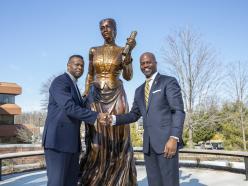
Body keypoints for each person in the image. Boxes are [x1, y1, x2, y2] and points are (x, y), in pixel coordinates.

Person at [77, 18, 137, 185]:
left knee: (119, 138)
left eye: (108, 27)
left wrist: (129, 53)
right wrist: (85, 93)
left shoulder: (122, 50)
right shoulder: (93, 50)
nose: (105, 30)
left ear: (115, 29)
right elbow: (90, 74)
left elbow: (128, 76)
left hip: (116, 94)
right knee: (96, 141)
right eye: (101, 27)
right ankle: (95, 178)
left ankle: (118, 179)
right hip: (95, 96)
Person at [111, 52, 185, 186]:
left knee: (169, 183)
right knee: (154, 183)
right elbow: (133, 115)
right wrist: (113, 119)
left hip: (167, 144)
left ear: (155, 63)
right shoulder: (139, 90)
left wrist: (174, 138)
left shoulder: (168, 82)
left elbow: (178, 111)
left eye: (148, 62)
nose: (145, 65)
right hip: (149, 146)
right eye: (142, 63)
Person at [42, 55, 107, 186]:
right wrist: (96, 116)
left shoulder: (74, 86)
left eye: (82, 65)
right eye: (76, 64)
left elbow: (80, 106)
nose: (79, 67)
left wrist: (92, 92)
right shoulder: (60, 82)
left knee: (71, 182)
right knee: (57, 182)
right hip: (58, 142)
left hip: (71, 144)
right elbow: (69, 107)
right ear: (68, 66)